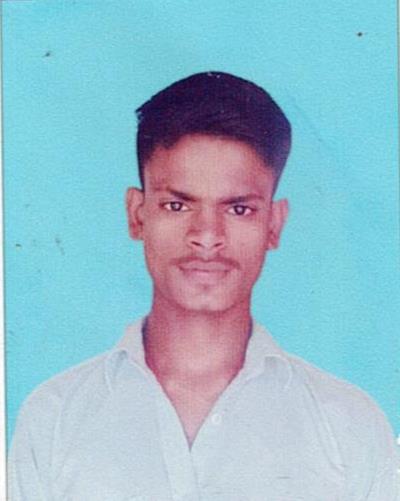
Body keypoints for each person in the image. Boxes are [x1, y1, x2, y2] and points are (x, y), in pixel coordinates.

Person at [8, 71, 399, 500]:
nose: (207, 236)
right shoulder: (54, 418)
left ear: (274, 224)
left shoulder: (350, 427)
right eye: (177, 205)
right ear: (137, 214)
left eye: (238, 209)